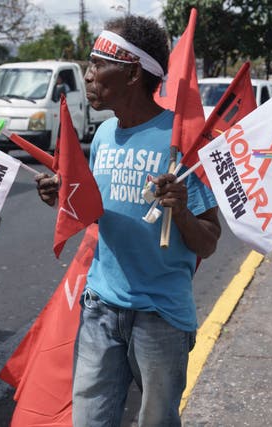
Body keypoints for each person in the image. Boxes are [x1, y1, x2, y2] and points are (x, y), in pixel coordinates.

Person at [35, 15, 221, 427]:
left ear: (133, 72)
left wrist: (182, 212)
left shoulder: (180, 142)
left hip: (161, 319)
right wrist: (63, 198)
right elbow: (98, 212)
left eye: (99, 63)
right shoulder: (102, 137)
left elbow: (208, 242)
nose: (88, 74)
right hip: (99, 308)